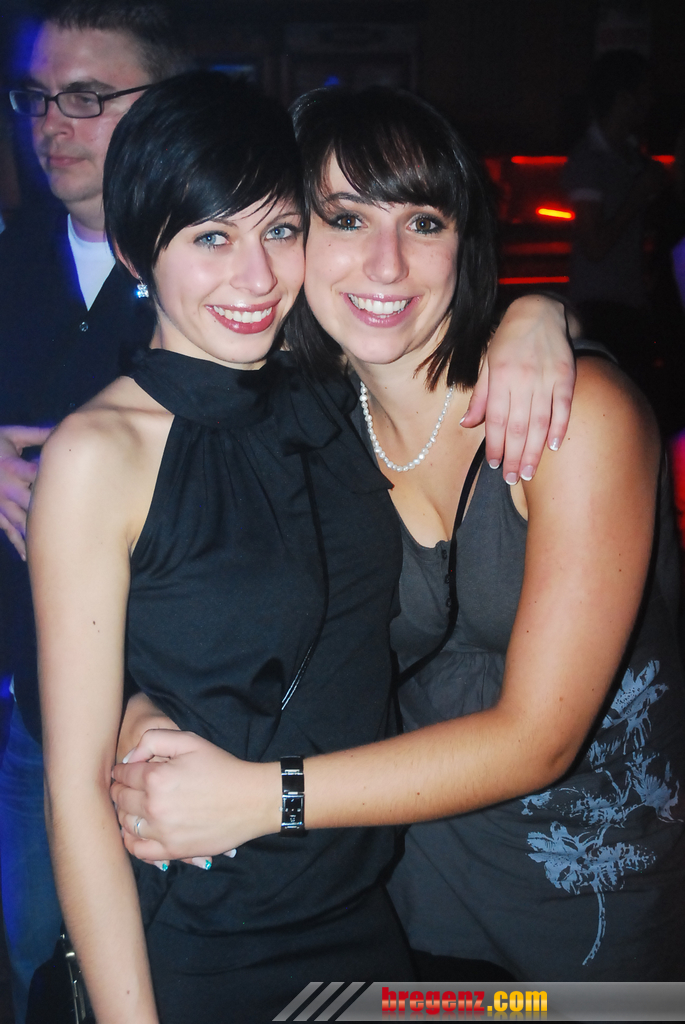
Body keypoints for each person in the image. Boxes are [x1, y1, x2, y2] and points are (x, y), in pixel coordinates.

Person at [27, 71, 578, 1024]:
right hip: (203, 944)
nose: (256, 279)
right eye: (210, 238)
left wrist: (542, 315)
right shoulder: (99, 454)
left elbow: (437, 326)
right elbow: (74, 791)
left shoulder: (328, 390)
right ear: (132, 251)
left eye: (279, 231)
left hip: (365, 921)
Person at [113, 86, 685, 983]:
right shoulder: (307, 423)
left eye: (422, 222)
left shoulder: (575, 417)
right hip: (393, 908)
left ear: (463, 241)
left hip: (592, 923)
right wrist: (143, 706)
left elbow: (537, 738)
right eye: (344, 219)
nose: (385, 264)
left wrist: (263, 798)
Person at [0, 3, 187, 1018]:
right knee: (38, 954)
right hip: (36, 704)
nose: (50, 124)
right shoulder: (13, 255)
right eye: (35, 97)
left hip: (187, 709)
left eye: (84, 97)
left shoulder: (222, 265)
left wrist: (540, 316)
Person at [563, 50, 667, 387]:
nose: (652, 102)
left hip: (631, 303)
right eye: (646, 92)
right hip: (600, 309)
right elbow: (594, 246)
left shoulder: (632, 156)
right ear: (624, 99)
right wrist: (638, 195)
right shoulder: (589, 160)